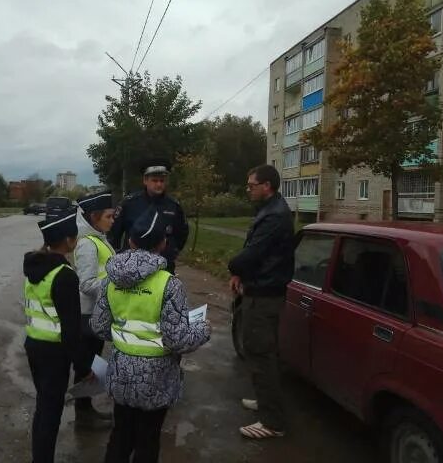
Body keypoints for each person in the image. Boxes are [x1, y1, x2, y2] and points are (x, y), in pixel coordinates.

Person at [91, 206, 211, 463]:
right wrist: (203, 329)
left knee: (121, 435)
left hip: (121, 373)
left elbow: (99, 326)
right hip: (157, 379)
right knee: (148, 439)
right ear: (163, 244)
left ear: (131, 241)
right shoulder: (169, 284)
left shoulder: (110, 280)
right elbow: (177, 339)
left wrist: (126, 336)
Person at [227, 164, 295, 440]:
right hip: (261, 288)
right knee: (261, 352)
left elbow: (254, 252)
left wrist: (234, 266)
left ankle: (272, 422)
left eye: (251, 185)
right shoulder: (271, 209)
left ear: (266, 185)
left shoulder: (274, 217)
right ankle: (266, 402)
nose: (248, 189)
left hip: (264, 295)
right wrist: (240, 273)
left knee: (260, 353)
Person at [23, 209, 88, 463]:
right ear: (69, 240)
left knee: (44, 407)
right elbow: (71, 331)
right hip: (54, 354)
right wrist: (85, 366)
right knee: (50, 413)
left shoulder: (36, 267)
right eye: (75, 237)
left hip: (34, 346)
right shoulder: (64, 276)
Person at [71, 190, 116, 429]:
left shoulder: (99, 238)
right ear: (95, 217)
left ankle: (86, 409)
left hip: (96, 313)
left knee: (91, 361)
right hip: (87, 314)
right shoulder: (87, 244)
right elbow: (86, 284)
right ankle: (83, 414)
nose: (113, 220)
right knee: (85, 365)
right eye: (109, 216)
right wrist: (117, 284)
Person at [108, 157, 189, 274]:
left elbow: (182, 233)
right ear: (145, 180)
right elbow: (113, 232)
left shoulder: (173, 206)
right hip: (132, 267)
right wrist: (119, 255)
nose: (159, 184)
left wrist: (172, 252)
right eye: (155, 180)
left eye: (162, 181)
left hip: (163, 266)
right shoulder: (129, 203)